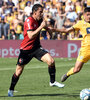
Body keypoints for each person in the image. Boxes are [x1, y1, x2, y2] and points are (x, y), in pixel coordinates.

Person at [8, 4, 65, 97]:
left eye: (42, 12)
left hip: (36, 48)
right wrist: (41, 27)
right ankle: (11, 89)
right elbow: (30, 36)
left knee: (51, 61)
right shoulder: (29, 20)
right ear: (34, 12)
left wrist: (48, 30)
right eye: (40, 12)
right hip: (26, 50)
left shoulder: (40, 20)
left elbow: (44, 26)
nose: (42, 14)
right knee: (18, 71)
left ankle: (52, 81)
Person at [52, 6, 90, 82]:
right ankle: (67, 74)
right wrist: (55, 29)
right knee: (76, 69)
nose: (89, 16)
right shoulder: (80, 24)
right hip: (86, 50)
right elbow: (66, 30)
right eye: (88, 14)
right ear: (84, 15)